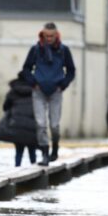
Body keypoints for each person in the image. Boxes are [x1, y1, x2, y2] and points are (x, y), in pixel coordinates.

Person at [21, 22, 76, 165]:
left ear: (56, 35)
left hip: (56, 92)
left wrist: (62, 85)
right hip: (39, 91)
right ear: (42, 34)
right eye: (46, 36)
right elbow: (26, 69)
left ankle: (55, 148)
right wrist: (33, 83)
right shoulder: (35, 49)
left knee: (55, 125)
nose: (49, 38)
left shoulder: (64, 50)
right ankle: (45, 153)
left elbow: (71, 70)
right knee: (40, 124)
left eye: (51, 36)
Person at [0, 72, 39, 166]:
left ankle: (17, 169)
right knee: (32, 151)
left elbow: (5, 107)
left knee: (19, 151)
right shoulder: (36, 90)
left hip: (16, 125)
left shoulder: (13, 91)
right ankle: (35, 173)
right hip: (31, 125)